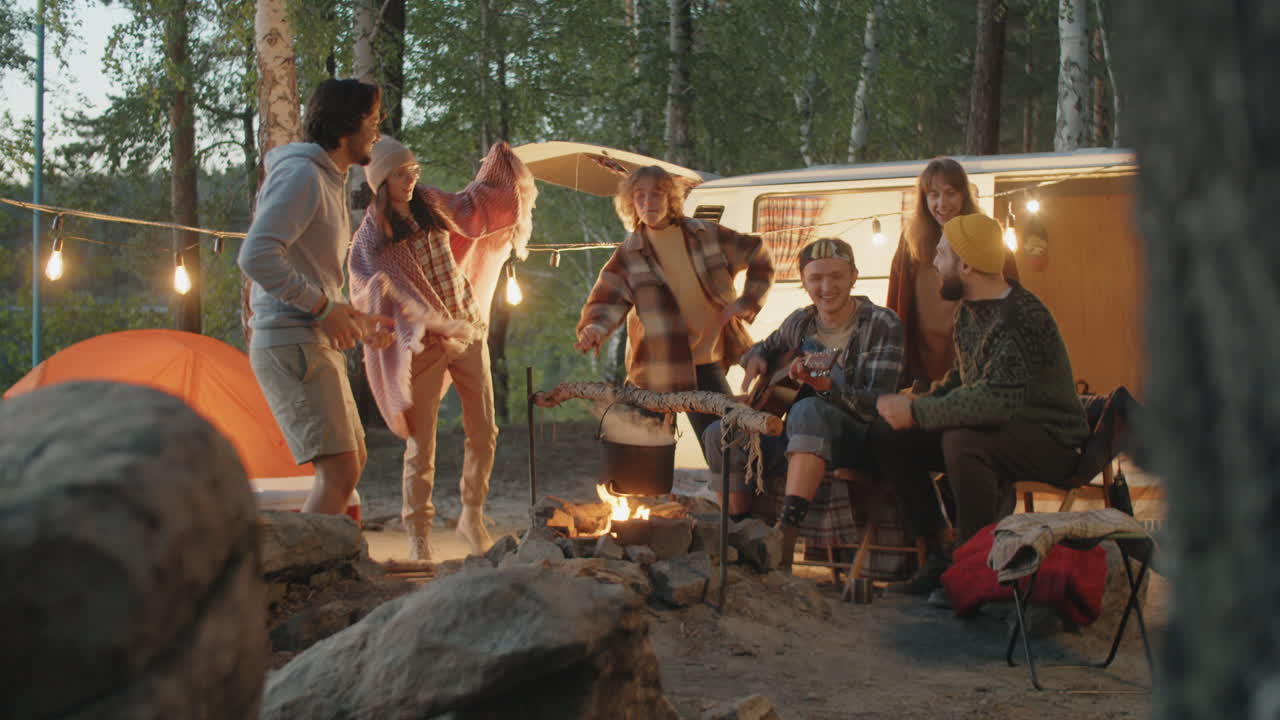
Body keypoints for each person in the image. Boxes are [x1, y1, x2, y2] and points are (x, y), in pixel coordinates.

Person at [874, 213, 1089, 600]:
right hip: (1002, 429)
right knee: (894, 439)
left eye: (941, 255)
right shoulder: (971, 309)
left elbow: (996, 401)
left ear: (967, 265)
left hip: (1051, 441)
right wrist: (917, 407)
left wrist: (920, 412)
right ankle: (940, 554)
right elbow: (962, 379)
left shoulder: (1019, 316)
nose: (934, 264)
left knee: (964, 440)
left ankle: (974, 570)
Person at [349, 136, 536, 561]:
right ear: (380, 181)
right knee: (422, 444)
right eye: (400, 173)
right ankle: (418, 532)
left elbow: (476, 203)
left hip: (468, 327)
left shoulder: (429, 202)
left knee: (484, 429)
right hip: (424, 343)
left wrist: (500, 162)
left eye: (413, 170)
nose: (411, 179)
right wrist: (415, 317)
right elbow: (367, 284)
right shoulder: (373, 235)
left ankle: (473, 514)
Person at [238, 78, 393, 516]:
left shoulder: (327, 179)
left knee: (352, 464)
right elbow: (256, 256)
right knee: (339, 472)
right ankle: (306, 573)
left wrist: (355, 319)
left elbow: (311, 271)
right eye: (372, 122)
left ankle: (330, 564)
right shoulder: (303, 174)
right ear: (348, 125)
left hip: (310, 338)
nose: (376, 133)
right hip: (290, 343)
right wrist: (324, 308)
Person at [703, 237, 904, 570]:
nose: (827, 286)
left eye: (837, 276)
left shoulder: (882, 324)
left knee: (808, 409)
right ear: (803, 282)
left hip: (857, 438)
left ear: (854, 276)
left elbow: (877, 403)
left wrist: (826, 388)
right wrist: (757, 358)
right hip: (798, 438)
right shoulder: (800, 321)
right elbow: (765, 347)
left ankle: (786, 536)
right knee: (720, 431)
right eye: (816, 278)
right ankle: (739, 536)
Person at [575, 166, 774, 441]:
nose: (647, 203)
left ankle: (723, 485)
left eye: (656, 195)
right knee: (644, 454)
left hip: (705, 362)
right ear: (630, 203)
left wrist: (748, 300)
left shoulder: (706, 234)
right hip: (655, 369)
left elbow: (758, 253)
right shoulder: (628, 255)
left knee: (726, 447)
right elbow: (606, 301)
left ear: (671, 199)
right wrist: (594, 329)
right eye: (639, 196)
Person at [886, 158, 1018, 390]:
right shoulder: (910, 242)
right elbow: (896, 303)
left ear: (964, 195)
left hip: (974, 355)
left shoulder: (985, 235)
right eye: (933, 195)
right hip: (923, 357)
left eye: (950, 193)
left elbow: (1011, 293)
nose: (942, 203)